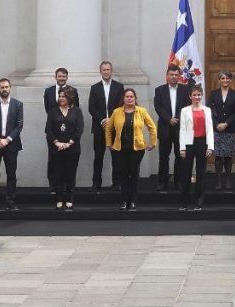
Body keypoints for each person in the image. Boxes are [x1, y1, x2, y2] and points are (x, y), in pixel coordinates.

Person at [105, 88, 157, 211]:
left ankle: (132, 201)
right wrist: (109, 143)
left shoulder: (142, 111)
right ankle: (124, 201)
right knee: (123, 175)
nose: (129, 99)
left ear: (135, 98)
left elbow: (152, 127)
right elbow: (108, 129)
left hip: (137, 149)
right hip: (120, 149)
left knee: (134, 175)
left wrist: (153, 143)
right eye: (127, 97)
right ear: (123, 99)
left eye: (131, 97)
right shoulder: (116, 112)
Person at [0, 78, 24, 211]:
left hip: (11, 144)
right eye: (2, 87)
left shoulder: (18, 104)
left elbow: (19, 126)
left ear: (10, 88)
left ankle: (10, 201)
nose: (4, 89)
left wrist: (7, 140)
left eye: (6, 87)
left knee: (11, 174)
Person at [46, 85, 84, 211]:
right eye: (60, 96)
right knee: (58, 175)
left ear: (69, 97)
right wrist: (57, 142)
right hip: (56, 149)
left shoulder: (77, 111)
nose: (61, 98)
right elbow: (49, 130)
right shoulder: (53, 111)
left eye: (63, 96)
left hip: (72, 149)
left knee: (70, 175)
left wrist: (69, 143)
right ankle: (59, 199)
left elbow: (79, 129)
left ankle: (69, 200)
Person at [88, 61, 124, 192]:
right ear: (100, 72)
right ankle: (96, 183)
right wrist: (102, 120)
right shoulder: (95, 87)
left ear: (111, 71)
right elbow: (91, 107)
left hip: (115, 127)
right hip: (99, 127)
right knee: (98, 157)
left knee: (116, 157)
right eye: (104, 70)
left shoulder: (119, 87)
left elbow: (121, 105)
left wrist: (112, 120)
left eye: (108, 69)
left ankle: (117, 182)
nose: (106, 72)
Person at [153, 64, 190, 192]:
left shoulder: (186, 90)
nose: (174, 77)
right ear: (167, 76)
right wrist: (169, 119)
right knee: (163, 157)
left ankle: (178, 182)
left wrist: (177, 118)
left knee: (180, 156)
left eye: (176, 75)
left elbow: (187, 106)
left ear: (179, 76)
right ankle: (162, 182)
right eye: (171, 75)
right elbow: (158, 107)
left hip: (180, 128)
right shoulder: (159, 90)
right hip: (165, 128)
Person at [179, 85, 214, 210]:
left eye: (199, 95)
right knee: (186, 172)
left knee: (201, 173)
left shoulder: (207, 110)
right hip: (189, 143)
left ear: (202, 96)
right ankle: (184, 202)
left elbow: (210, 129)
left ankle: (199, 201)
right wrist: (182, 148)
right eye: (194, 95)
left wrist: (210, 147)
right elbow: (182, 129)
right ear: (190, 96)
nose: (197, 97)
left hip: (202, 143)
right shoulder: (184, 110)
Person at [208, 70, 235, 191]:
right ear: (219, 80)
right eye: (223, 78)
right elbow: (210, 110)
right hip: (216, 129)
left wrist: (226, 124)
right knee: (218, 156)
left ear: (230, 80)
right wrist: (217, 124)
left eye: (227, 78)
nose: (225, 80)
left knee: (228, 156)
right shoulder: (213, 93)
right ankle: (218, 180)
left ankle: (228, 180)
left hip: (230, 129)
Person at [43, 68, 70, 194]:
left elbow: (75, 109)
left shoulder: (72, 91)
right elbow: (47, 108)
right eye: (59, 76)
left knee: (66, 159)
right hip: (52, 130)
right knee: (52, 157)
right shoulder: (48, 91)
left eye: (64, 76)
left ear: (67, 77)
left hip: (68, 131)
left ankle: (64, 184)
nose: (62, 78)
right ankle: (52, 184)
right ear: (55, 77)